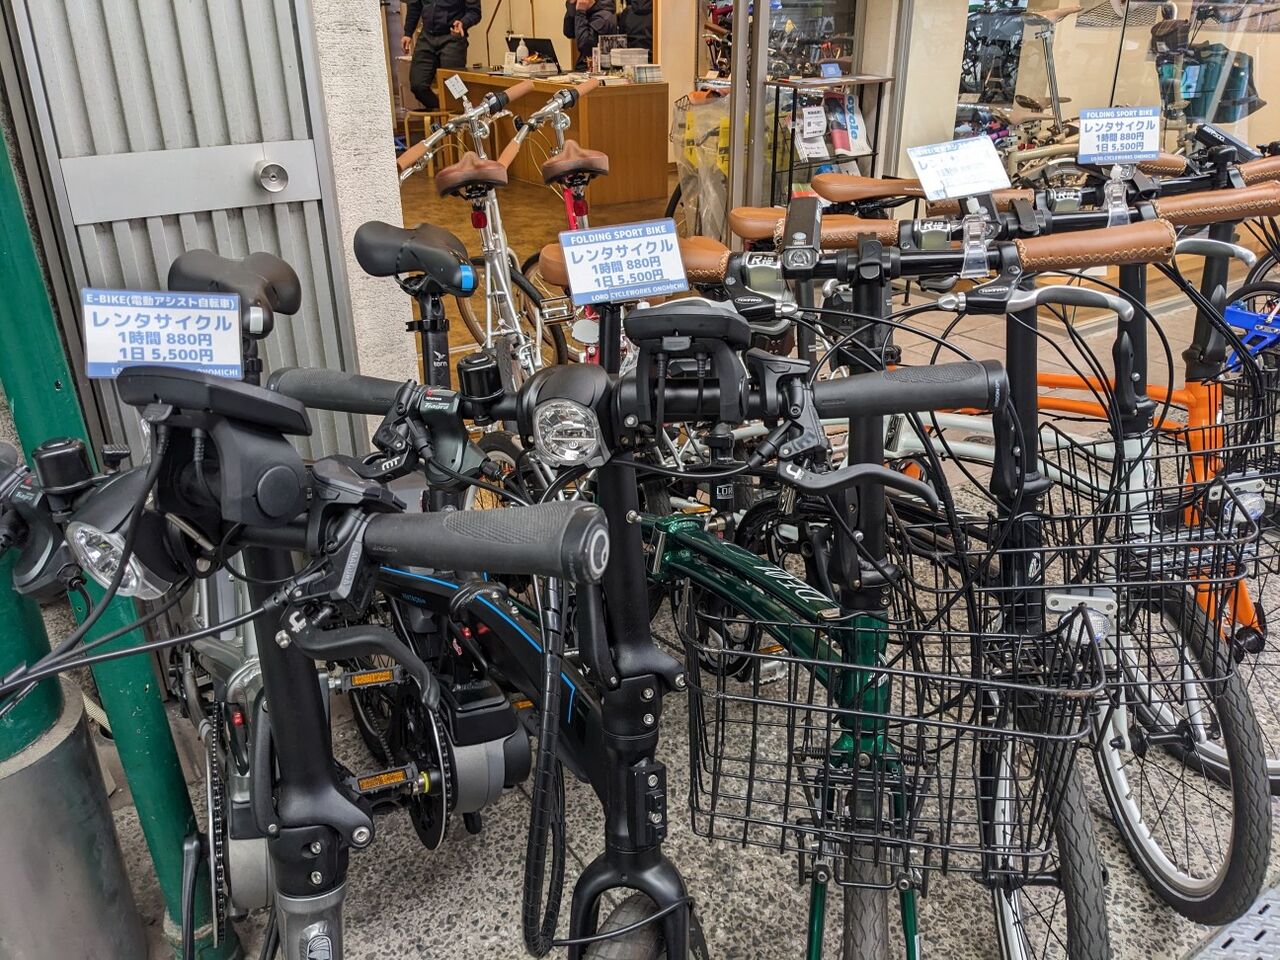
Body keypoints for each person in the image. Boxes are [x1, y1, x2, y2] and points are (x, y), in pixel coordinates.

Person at [402, 0, 481, 111]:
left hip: (452, 36)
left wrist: (463, 22)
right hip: (427, 36)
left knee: (454, 87)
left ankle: (460, 120)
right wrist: (408, 33)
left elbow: (475, 12)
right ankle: (443, 113)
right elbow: (414, 6)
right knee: (418, 85)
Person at [563, 0, 618, 72]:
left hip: (598, 71)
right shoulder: (588, 10)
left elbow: (585, 45)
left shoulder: (604, 16)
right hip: (585, 67)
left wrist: (580, 12)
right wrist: (572, 7)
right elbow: (569, 32)